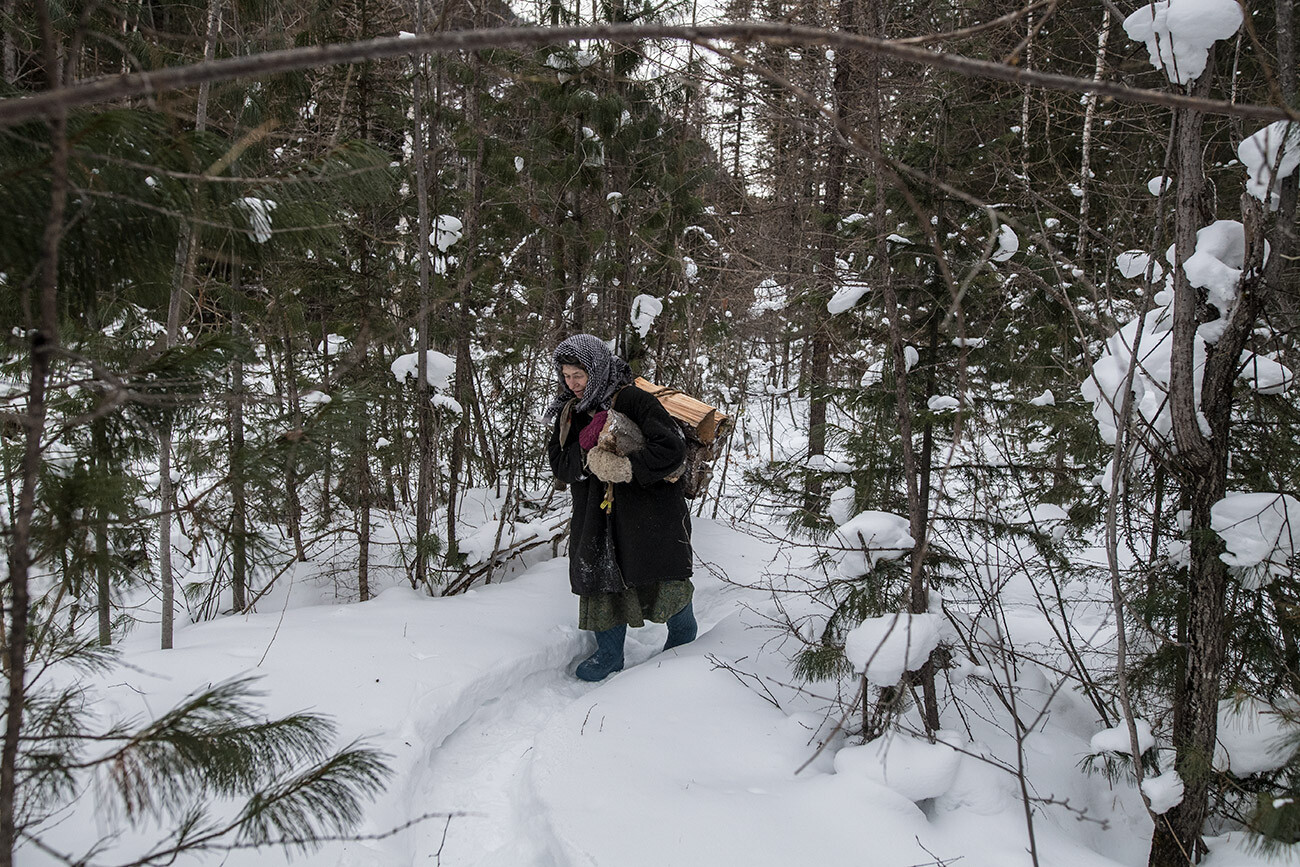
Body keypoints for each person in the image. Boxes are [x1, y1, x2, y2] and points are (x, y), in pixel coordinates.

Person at [545, 333, 697, 682]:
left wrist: (628, 468)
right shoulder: (569, 411)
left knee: (665, 577)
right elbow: (558, 462)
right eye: (566, 376)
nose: (573, 384)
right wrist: (587, 459)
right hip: (596, 516)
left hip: (650, 514)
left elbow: (672, 448)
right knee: (599, 578)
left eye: (579, 375)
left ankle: (684, 647)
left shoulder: (634, 399)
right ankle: (610, 655)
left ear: (596, 369)